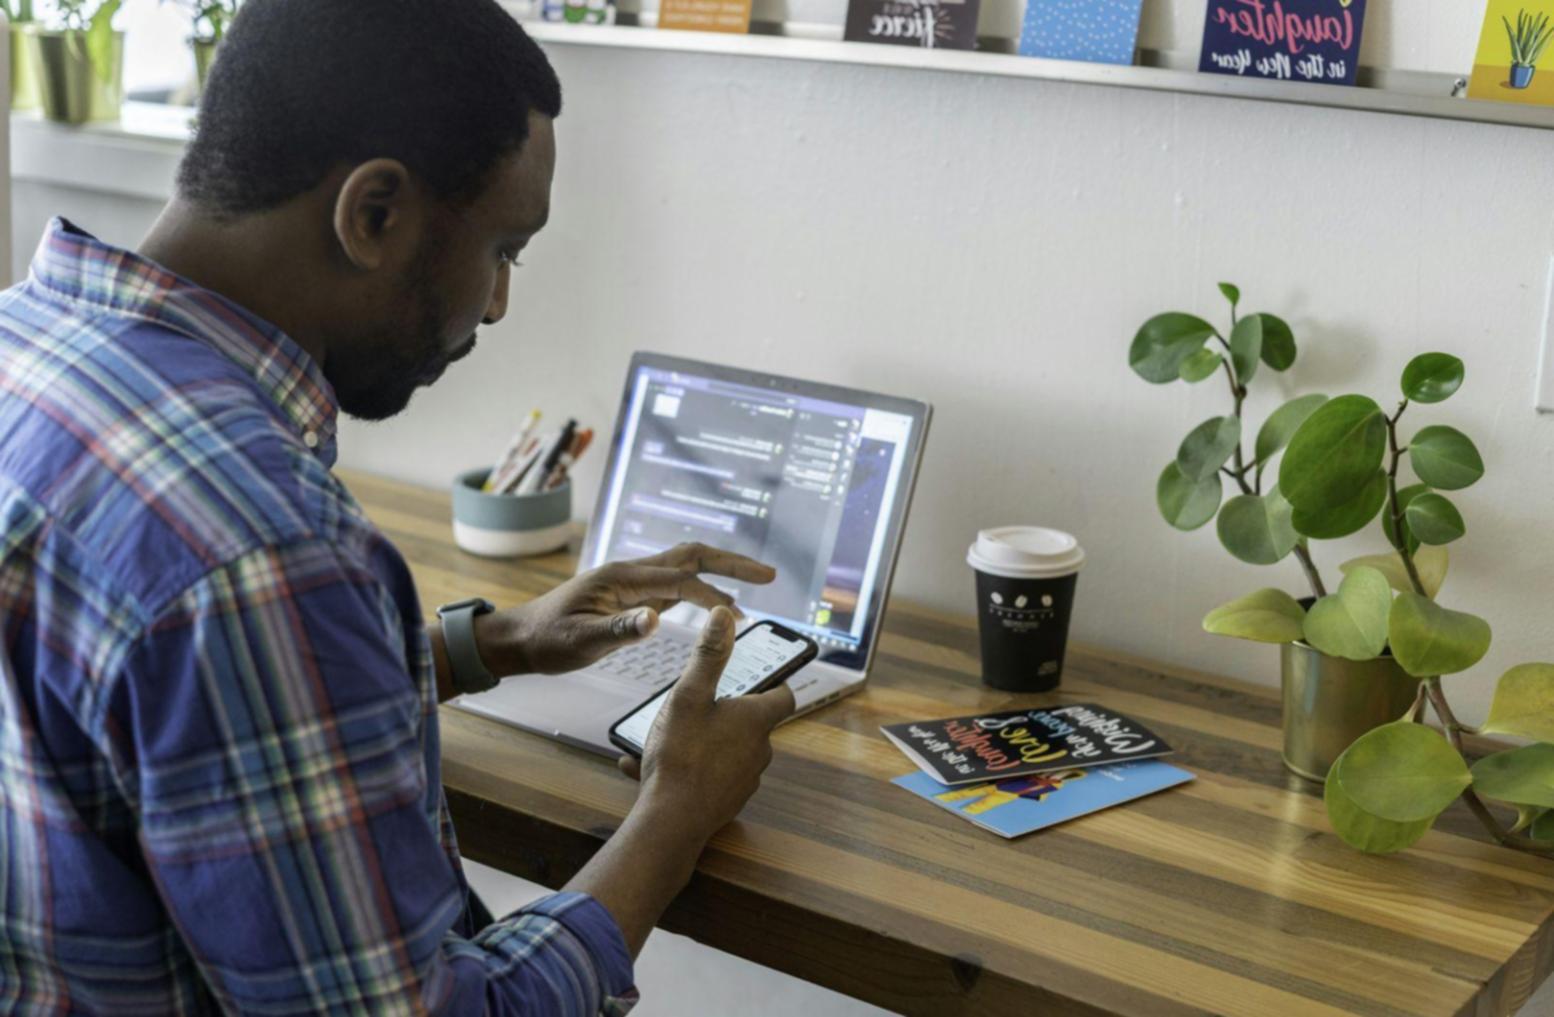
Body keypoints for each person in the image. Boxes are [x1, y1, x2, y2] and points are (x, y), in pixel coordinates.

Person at [0, 0, 793, 1013]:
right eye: (504, 248)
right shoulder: (263, 547)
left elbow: (160, 717)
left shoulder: (24, 348)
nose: (499, 303)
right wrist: (676, 813)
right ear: (373, 213)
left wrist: (489, 644)